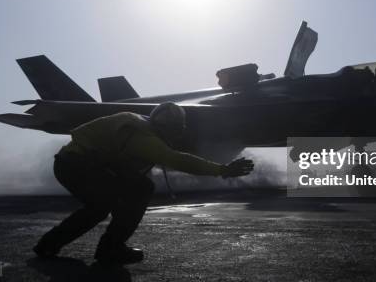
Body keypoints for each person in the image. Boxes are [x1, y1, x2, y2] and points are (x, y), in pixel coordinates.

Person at [33, 102, 254, 265]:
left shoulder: (143, 126)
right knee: (100, 206)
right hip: (76, 166)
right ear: (173, 128)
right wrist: (222, 170)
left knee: (139, 188)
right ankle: (91, 248)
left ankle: (106, 246)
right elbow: (176, 159)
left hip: (86, 164)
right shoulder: (144, 137)